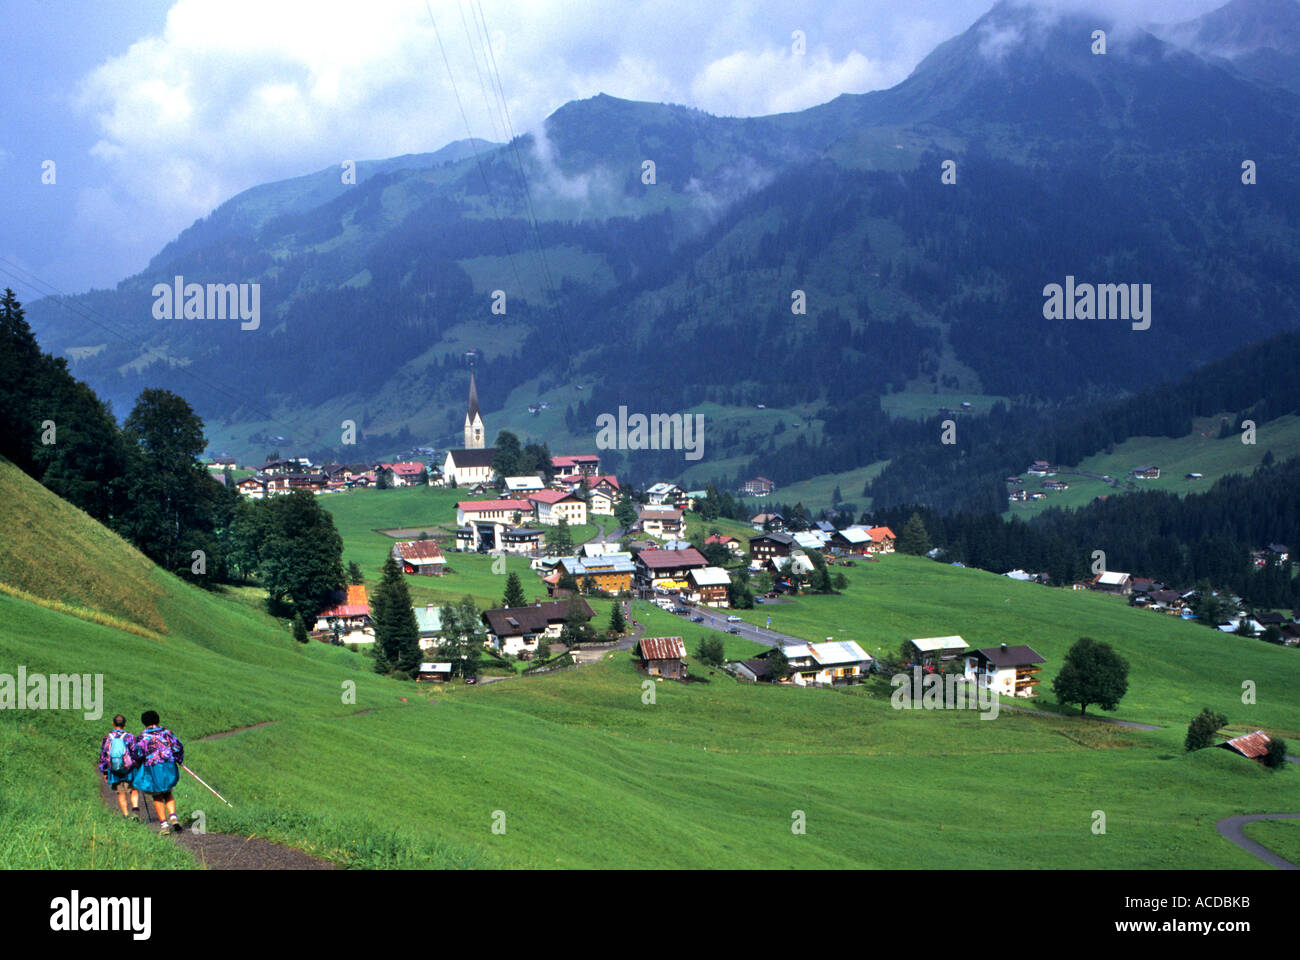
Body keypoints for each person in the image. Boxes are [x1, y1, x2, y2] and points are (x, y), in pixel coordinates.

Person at [131, 710, 185, 834]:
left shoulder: (143, 737)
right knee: (168, 791)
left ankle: (164, 826)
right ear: (158, 720)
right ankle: (173, 817)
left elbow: (137, 754)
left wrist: (138, 764)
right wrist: (178, 759)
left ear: (144, 723)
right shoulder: (167, 733)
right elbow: (178, 746)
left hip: (153, 767)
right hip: (168, 764)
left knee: (157, 795)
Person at [97, 715, 140, 820]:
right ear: (124, 724)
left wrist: (105, 772)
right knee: (133, 789)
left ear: (113, 723)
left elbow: (104, 756)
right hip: (129, 769)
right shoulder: (130, 737)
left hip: (114, 770)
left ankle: (126, 815)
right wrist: (137, 766)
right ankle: (135, 810)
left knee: (121, 793)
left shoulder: (107, 738)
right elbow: (135, 753)